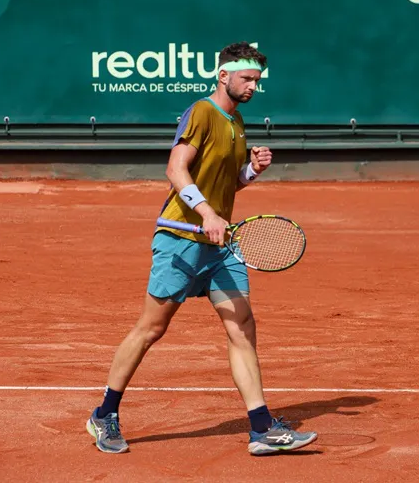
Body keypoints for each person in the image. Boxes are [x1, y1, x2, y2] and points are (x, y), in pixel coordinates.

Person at [86, 41, 318, 456]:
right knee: (151, 328)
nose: (253, 86)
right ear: (223, 75)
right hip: (181, 240)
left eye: (257, 80)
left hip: (220, 245)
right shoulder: (202, 112)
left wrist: (252, 170)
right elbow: (176, 169)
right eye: (246, 78)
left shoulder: (237, 121)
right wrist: (208, 213)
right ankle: (105, 413)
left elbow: (228, 184)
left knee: (242, 326)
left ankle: (261, 428)